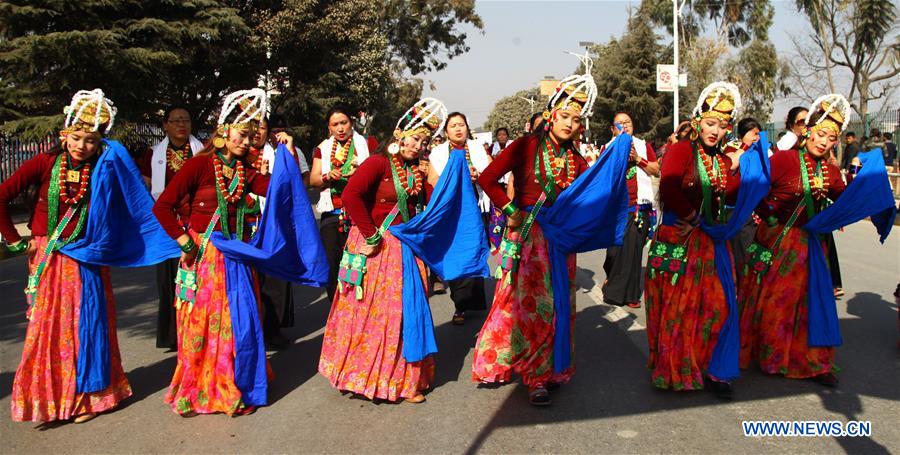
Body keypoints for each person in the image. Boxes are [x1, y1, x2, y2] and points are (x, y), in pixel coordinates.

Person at [1, 89, 180, 423]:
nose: (82, 146)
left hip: (88, 259)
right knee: (50, 330)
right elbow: (2, 196)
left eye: (91, 141)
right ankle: (52, 399)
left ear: (100, 143)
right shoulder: (44, 162)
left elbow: (133, 197)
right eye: (77, 137)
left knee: (88, 325)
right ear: (64, 134)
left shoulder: (104, 167)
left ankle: (91, 398)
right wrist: (15, 241)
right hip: (49, 259)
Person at [472, 55, 628, 406]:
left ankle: (551, 367)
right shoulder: (525, 146)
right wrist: (511, 210)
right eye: (565, 116)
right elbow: (487, 179)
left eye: (577, 119)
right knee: (532, 307)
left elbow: (595, 194)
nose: (570, 124)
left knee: (559, 306)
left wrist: (619, 158)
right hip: (528, 238)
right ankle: (536, 376)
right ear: (551, 113)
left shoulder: (577, 160)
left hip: (561, 244)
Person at [153, 88, 301, 416]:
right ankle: (206, 387)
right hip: (204, 257)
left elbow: (280, 193)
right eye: (242, 134)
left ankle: (238, 383)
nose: (247, 142)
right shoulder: (198, 166)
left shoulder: (246, 171)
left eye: (251, 137)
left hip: (237, 257)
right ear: (224, 131)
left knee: (241, 321)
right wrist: (183, 240)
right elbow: (162, 207)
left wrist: (285, 155)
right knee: (204, 325)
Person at [739, 93, 895, 387]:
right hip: (777, 243)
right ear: (807, 131)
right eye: (821, 134)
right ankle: (772, 357)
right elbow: (753, 186)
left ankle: (813, 361)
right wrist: (767, 214)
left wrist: (872, 193)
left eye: (832, 138)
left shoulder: (831, 172)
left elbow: (846, 199)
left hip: (810, 247)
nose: (824, 142)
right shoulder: (783, 160)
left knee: (811, 305)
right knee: (777, 304)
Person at [318, 98, 447, 404]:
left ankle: (403, 379)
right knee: (371, 314)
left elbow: (435, 200)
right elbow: (351, 195)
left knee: (406, 312)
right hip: (375, 246)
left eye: (424, 142)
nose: (417, 145)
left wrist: (431, 175)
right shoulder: (377, 162)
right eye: (414, 138)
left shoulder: (417, 170)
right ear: (400, 134)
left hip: (405, 247)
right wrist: (370, 234)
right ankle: (365, 374)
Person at [645, 82, 757, 399]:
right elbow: (668, 188)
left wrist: (746, 166)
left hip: (711, 244)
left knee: (718, 307)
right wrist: (694, 218)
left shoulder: (722, 160)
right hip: (680, 240)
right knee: (679, 312)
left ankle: (715, 368)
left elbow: (730, 195)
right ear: (698, 121)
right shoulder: (682, 150)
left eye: (722, 126)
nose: (716, 131)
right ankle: (678, 368)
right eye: (711, 123)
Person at [140, 105, 205, 350]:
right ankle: (173, 333)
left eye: (186, 120)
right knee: (169, 278)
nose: (181, 125)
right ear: (165, 125)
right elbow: (147, 188)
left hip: (195, 220)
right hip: (167, 222)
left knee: (196, 274)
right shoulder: (153, 154)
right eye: (175, 120)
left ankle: (196, 326)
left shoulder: (202, 151)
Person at [246, 114, 308, 349]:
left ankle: (272, 329)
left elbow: (293, 183)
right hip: (245, 225)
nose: (256, 133)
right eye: (252, 128)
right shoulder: (237, 157)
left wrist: (289, 150)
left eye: (261, 128)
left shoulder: (278, 153)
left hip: (271, 223)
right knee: (250, 280)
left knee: (273, 278)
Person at [427, 112, 491, 324]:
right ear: (446, 131)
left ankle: (475, 300)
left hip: (475, 208)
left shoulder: (476, 148)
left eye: (461, 124)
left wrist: (477, 176)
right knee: (456, 254)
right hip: (451, 212)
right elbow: (432, 179)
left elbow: (490, 172)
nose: (458, 129)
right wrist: (452, 182)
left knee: (475, 252)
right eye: (453, 125)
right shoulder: (437, 152)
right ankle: (460, 305)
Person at [309, 106, 371, 302]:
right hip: (333, 212)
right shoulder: (323, 149)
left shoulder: (365, 144)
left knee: (359, 263)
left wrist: (361, 174)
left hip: (360, 213)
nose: (340, 128)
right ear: (329, 128)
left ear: (351, 124)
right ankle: (337, 307)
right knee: (332, 263)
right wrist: (328, 176)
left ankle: (357, 308)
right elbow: (313, 180)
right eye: (335, 124)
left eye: (344, 123)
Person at [599, 111, 659, 308]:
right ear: (612, 129)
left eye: (628, 123)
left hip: (639, 207)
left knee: (633, 252)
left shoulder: (643, 146)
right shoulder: (607, 148)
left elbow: (656, 170)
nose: (624, 126)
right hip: (616, 208)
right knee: (614, 251)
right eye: (620, 124)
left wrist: (637, 159)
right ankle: (612, 279)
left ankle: (630, 295)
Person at [727, 117, 763, 280]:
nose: (757, 137)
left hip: (757, 212)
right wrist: (744, 147)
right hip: (737, 212)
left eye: (759, 134)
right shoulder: (731, 150)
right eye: (753, 133)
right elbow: (730, 166)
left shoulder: (761, 153)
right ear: (743, 134)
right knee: (741, 256)